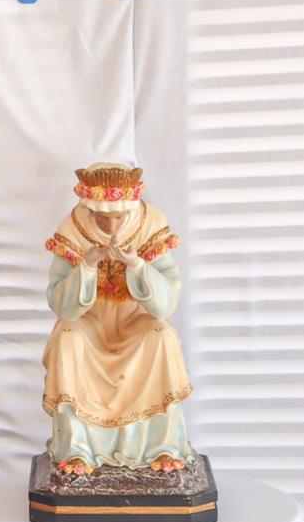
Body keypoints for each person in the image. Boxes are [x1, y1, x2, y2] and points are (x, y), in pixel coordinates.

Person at [41, 163, 196, 475]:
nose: (111, 227)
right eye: (103, 218)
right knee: (68, 338)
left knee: (160, 336)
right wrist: (87, 267)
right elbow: (62, 305)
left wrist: (136, 265)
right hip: (90, 321)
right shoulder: (73, 229)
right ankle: (78, 447)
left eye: (119, 217)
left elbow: (165, 304)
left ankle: (160, 445)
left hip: (135, 319)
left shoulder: (150, 224)